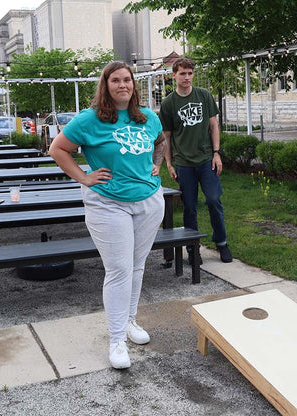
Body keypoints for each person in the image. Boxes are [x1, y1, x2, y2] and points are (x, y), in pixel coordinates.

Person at [48, 61, 166, 370]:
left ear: (133, 85)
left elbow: (161, 142)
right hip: (108, 204)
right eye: (116, 80)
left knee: (137, 266)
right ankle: (116, 340)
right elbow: (58, 149)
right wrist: (84, 177)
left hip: (149, 202)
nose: (123, 85)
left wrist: (157, 164)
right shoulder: (89, 120)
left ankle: (129, 322)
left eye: (127, 80)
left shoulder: (147, 117)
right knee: (118, 270)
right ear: (106, 85)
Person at [160, 57, 232, 264]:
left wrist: (217, 153)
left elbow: (213, 126)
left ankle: (222, 243)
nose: (187, 77)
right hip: (184, 163)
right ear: (174, 75)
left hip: (206, 160)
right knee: (189, 207)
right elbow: (167, 137)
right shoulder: (168, 104)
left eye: (190, 73)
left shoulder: (204, 96)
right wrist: (170, 163)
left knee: (213, 200)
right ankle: (193, 249)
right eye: (182, 73)